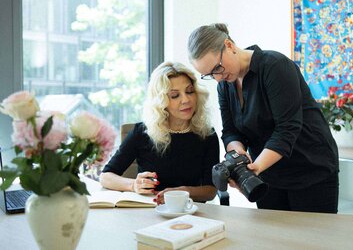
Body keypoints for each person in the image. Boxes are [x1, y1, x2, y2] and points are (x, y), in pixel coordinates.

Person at [187, 23, 339, 213]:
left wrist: (256, 167)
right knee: (273, 240)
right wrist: (238, 154)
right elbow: (231, 131)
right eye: (209, 75)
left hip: (309, 168)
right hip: (269, 174)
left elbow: (287, 128)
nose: (217, 78)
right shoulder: (225, 85)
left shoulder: (274, 66)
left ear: (229, 45)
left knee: (314, 241)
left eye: (217, 68)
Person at [100, 61, 219, 204]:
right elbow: (106, 176)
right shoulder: (142, 133)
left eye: (189, 91)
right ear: (161, 101)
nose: (186, 100)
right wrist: (133, 185)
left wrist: (182, 192)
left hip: (189, 212)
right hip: (149, 211)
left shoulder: (207, 134)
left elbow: (210, 191)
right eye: (175, 95)